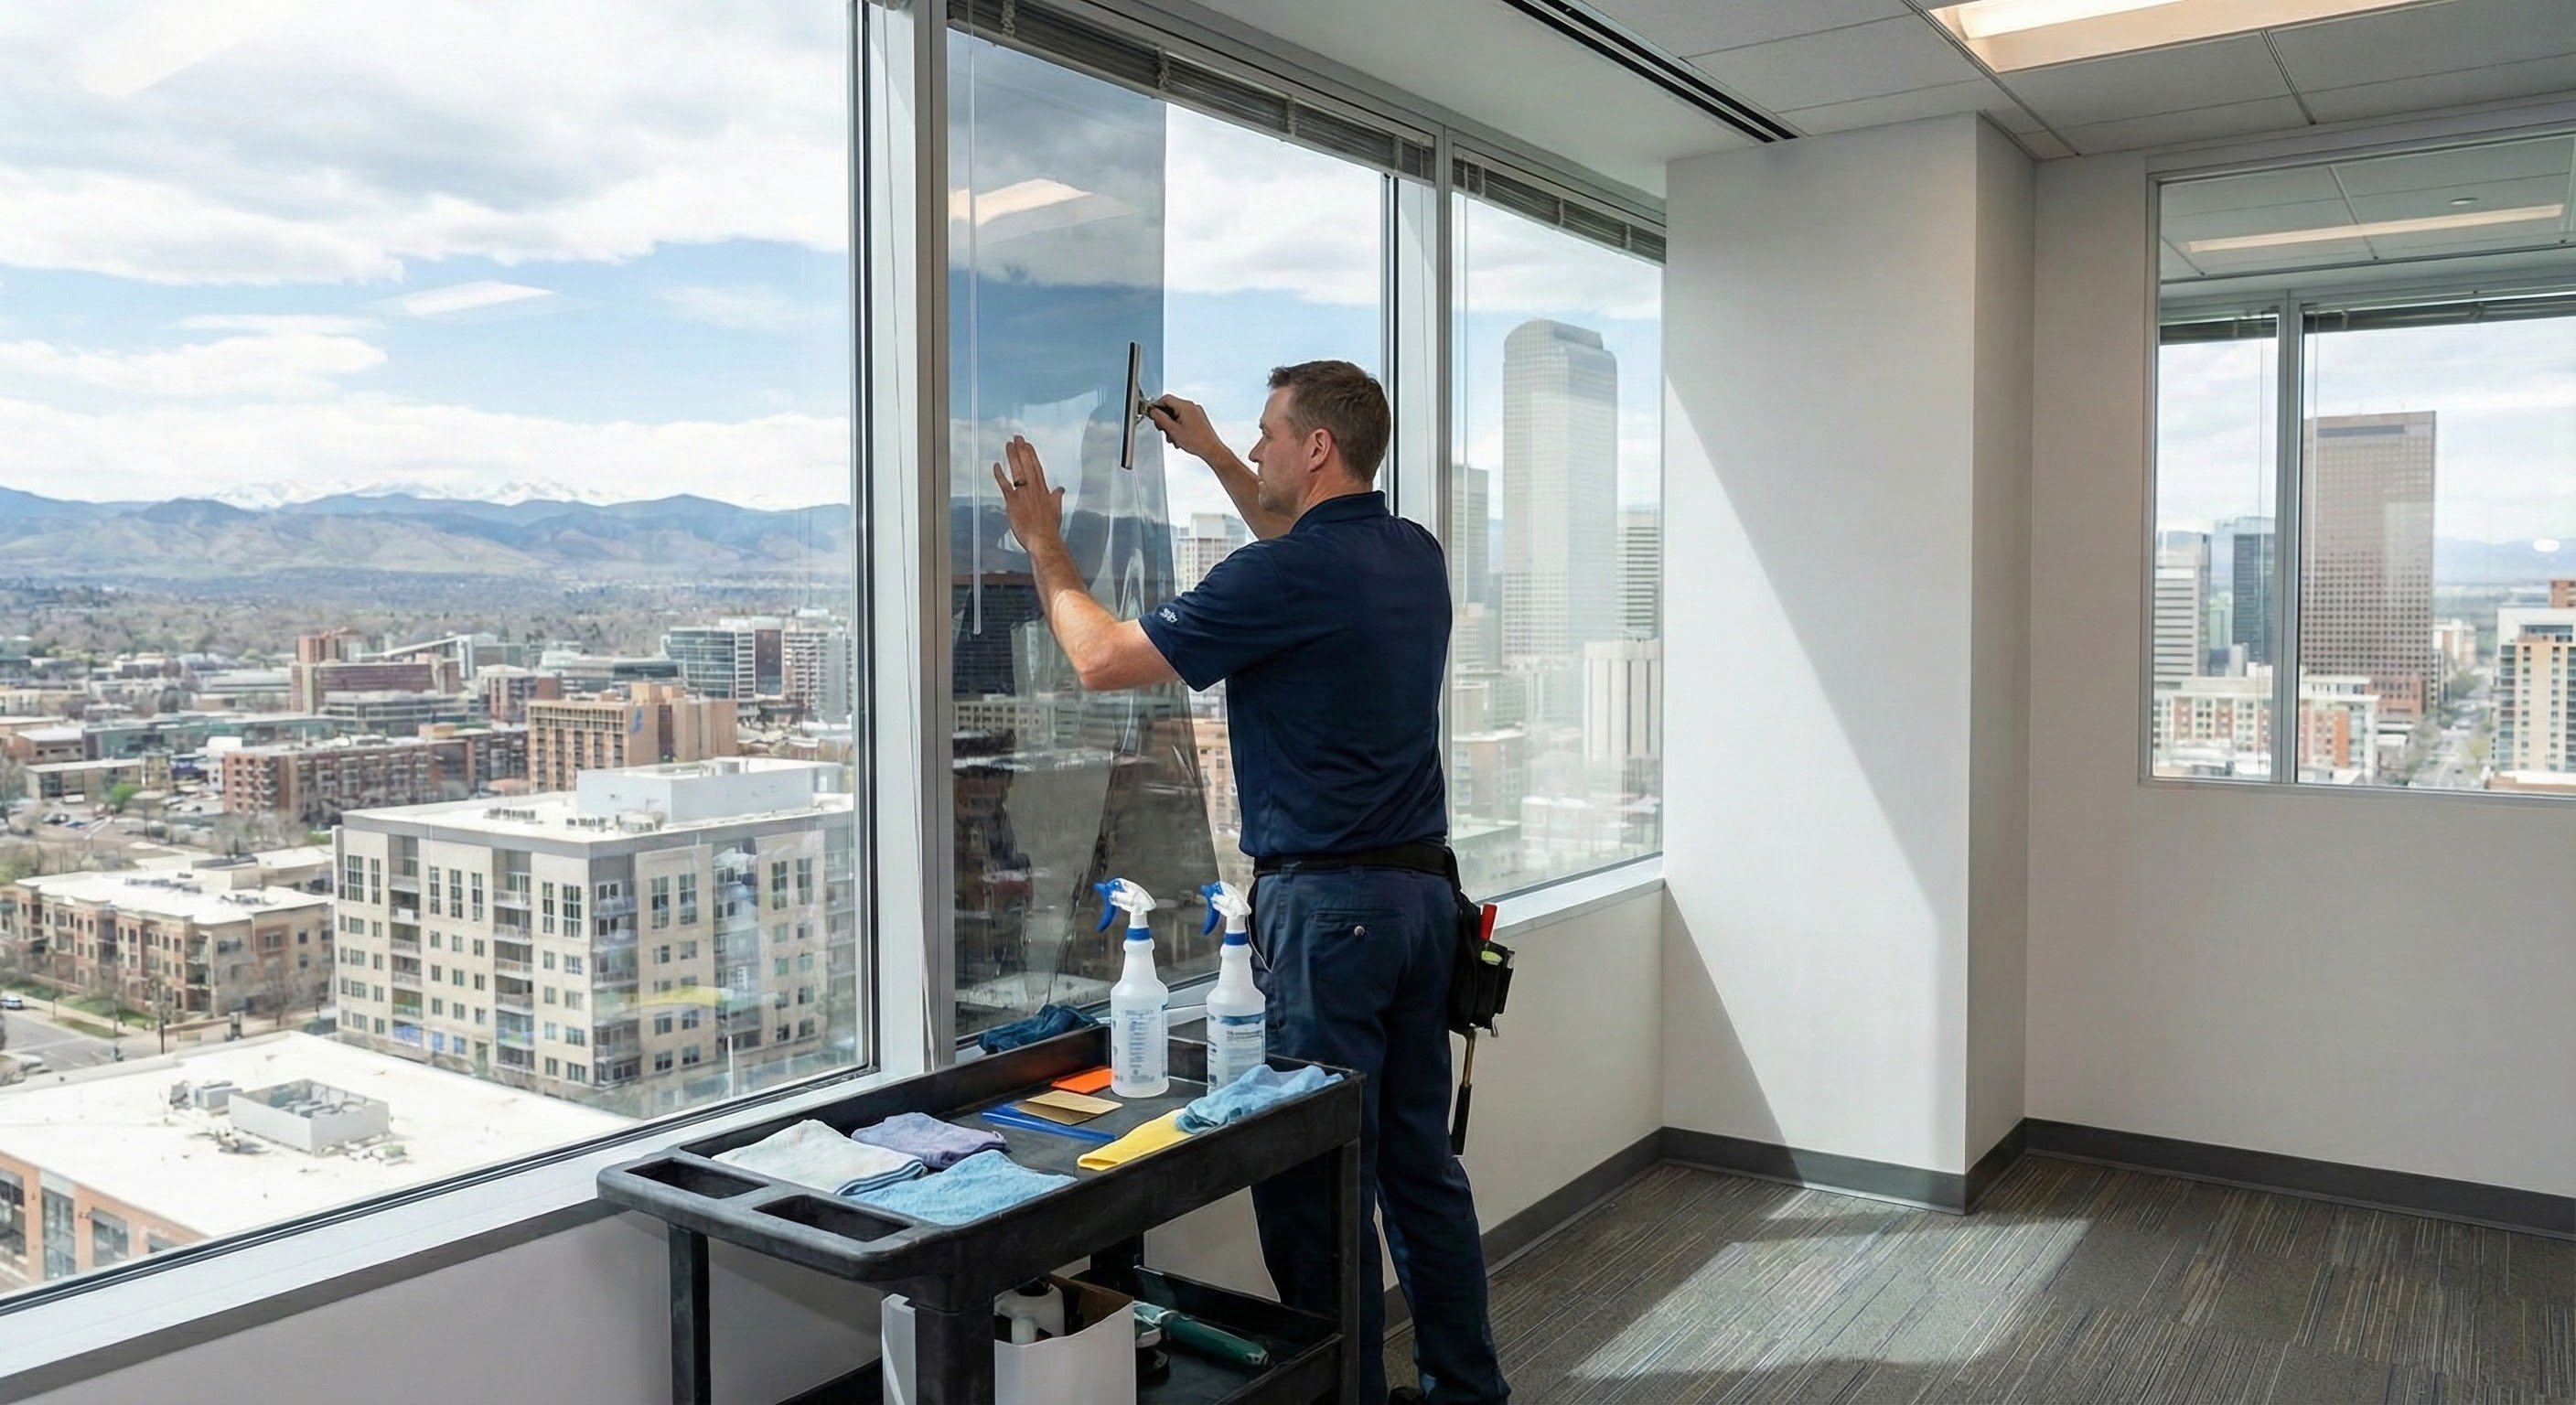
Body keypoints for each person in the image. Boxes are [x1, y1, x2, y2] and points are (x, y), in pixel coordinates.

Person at [989, 359, 1508, 1405]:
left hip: (1332, 921)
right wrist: (1220, 454)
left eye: (1271, 435)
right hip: (1420, 907)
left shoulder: (1278, 578)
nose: (1259, 447)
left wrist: (1043, 544)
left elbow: (1098, 659)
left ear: (1316, 447)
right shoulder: (1411, 554)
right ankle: (1467, 1394)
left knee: (1316, 1190)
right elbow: (1303, 552)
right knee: (1418, 1174)